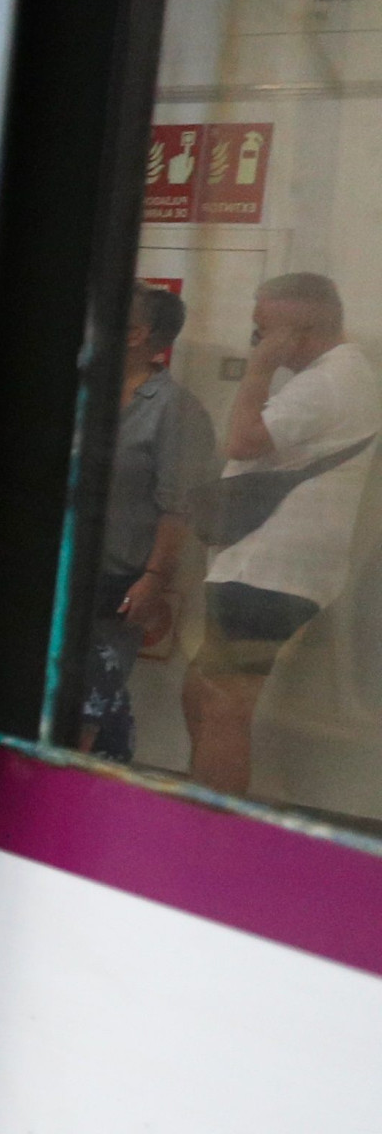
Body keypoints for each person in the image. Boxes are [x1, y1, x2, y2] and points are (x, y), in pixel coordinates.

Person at [188, 271, 379, 794]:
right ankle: (201, 806)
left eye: (262, 332)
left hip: (268, 574)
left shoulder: (329, 382)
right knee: (200, 689)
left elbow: (243, 441)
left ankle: (213, 832)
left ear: (296, 332)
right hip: (259, 567)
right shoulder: (337, 375)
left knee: (226, 708)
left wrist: (258, 371)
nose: (256, 342)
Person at [69, 286, 215, 759]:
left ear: (135, 334)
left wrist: (154, 578)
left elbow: (180, 507)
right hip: (54, 574)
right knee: (64, 706)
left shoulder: (175, 409)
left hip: (116, 585)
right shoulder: (78, 389)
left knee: (83, 716)